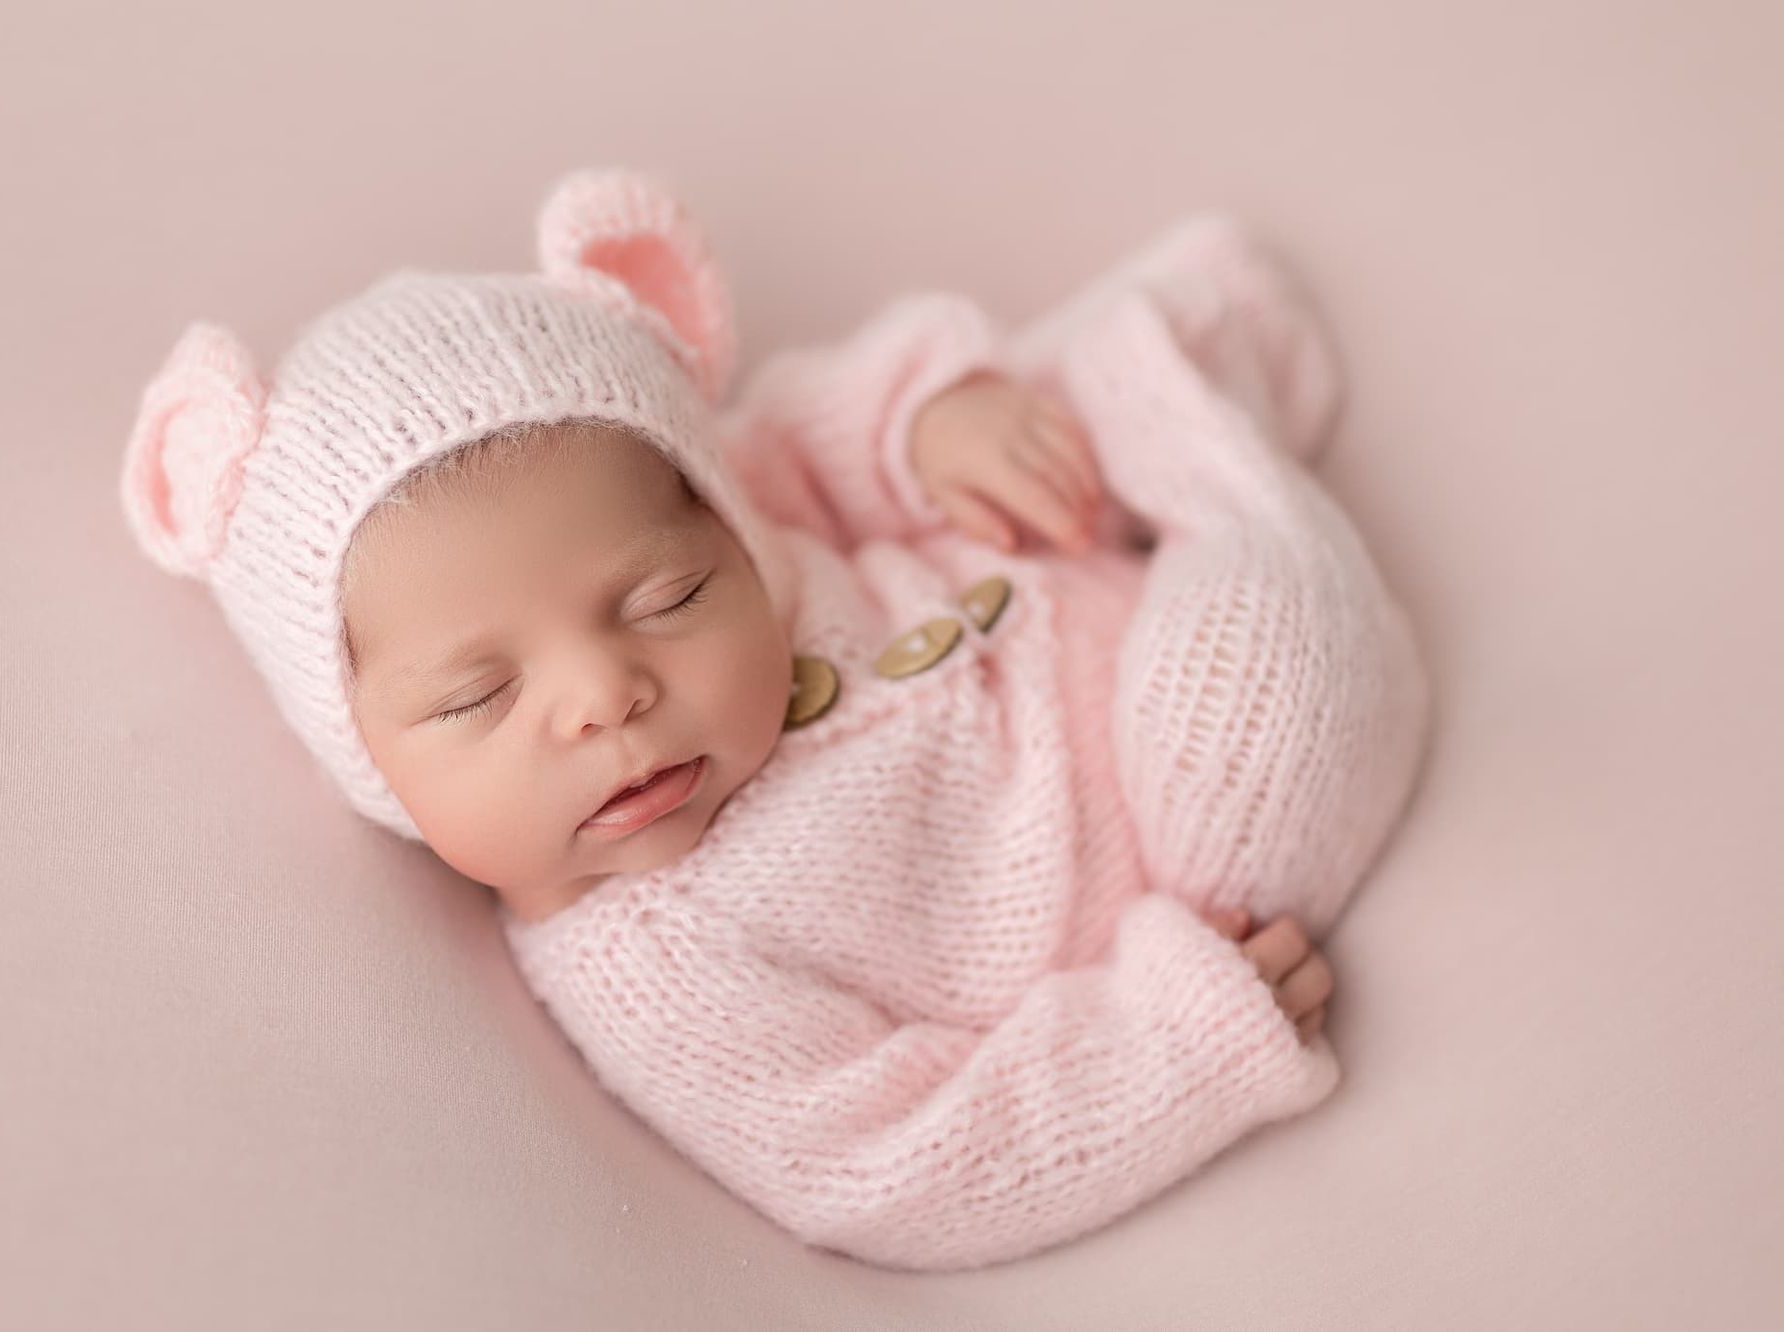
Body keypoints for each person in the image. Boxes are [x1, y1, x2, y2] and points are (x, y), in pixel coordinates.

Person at [119, 167, 1431, 1271]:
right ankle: (1201, 445)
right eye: (477, 695)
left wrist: (928, 426)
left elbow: (791, 433)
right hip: (1170, 843)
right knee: (1269, 709)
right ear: (363, 756)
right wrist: (1173, 1045)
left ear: (730, 533)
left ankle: (1139, 422)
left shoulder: (749, 499)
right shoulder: (652, 965)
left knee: (1011, 423)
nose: (603, 697)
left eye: (667, 594)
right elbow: (886, 1163)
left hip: (1046, 572)